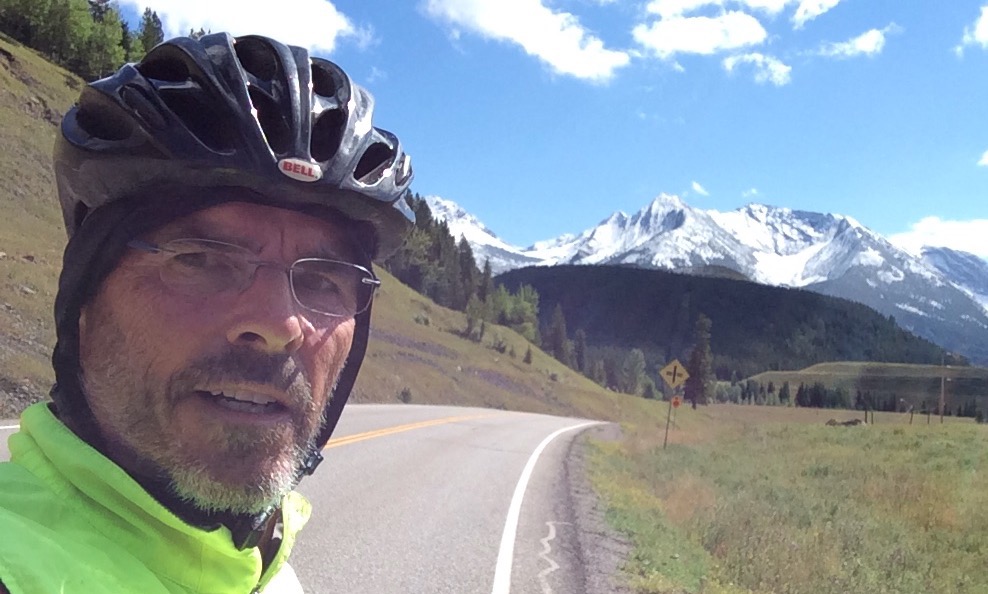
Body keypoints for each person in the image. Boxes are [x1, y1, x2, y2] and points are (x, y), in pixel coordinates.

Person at [0, 31, 413, 593]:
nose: (278, 325)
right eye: (200, 260)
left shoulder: (268, 573)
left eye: (323, 280)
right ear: (84, 302)